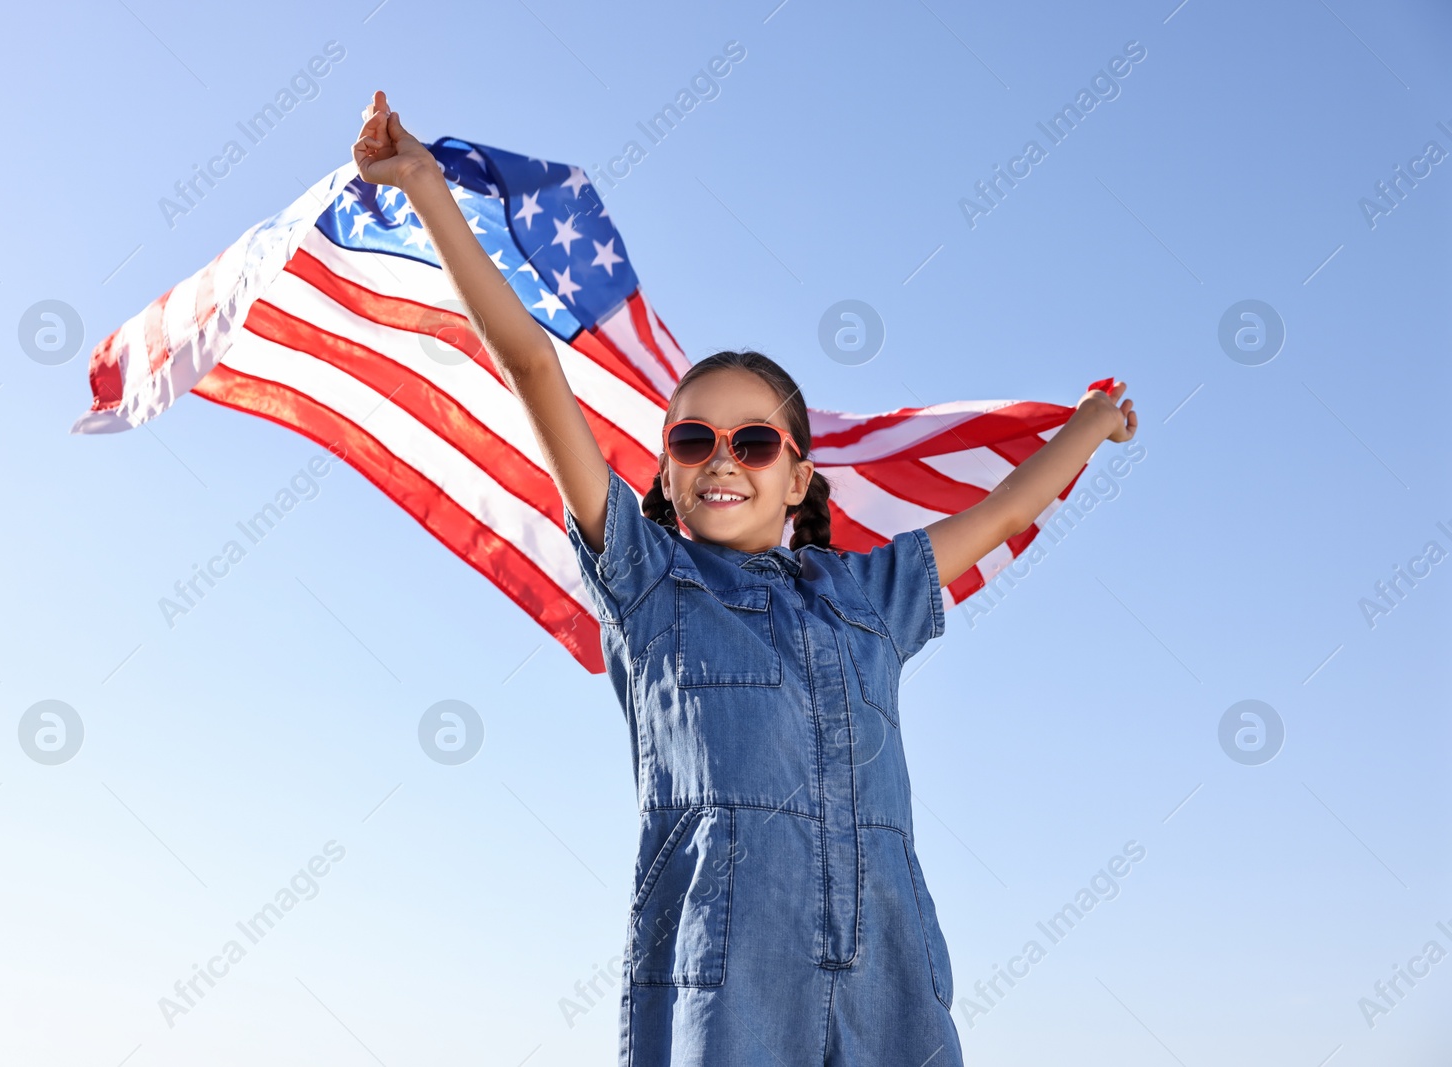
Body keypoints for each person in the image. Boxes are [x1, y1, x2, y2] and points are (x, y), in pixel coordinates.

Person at [353, 89, 1138, 1067]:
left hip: (892, 983)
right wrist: (427, 186)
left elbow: (1004, 512)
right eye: (694, 439)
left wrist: (1090, 428)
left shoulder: (871, 596)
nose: (724, 458)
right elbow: (532, 369)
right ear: (668, 473)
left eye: (754, 441)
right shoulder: (648, 583)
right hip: (729, 995)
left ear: (798, 474)